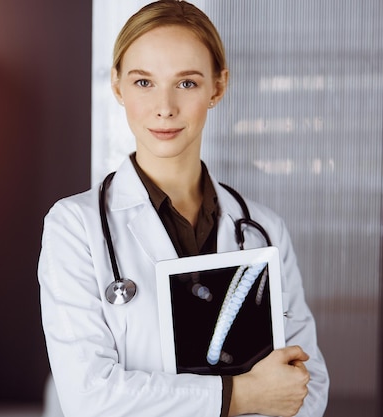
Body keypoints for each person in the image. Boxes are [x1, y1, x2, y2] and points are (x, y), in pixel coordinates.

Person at [38, 1, 329, 416]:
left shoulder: (264, 229)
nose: (165, 106)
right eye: (143, 83)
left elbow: (306, 386)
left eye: (187, 83)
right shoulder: (75, 228)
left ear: (218, 87)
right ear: (117, 86)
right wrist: (240, 396)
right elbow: (90, 399)